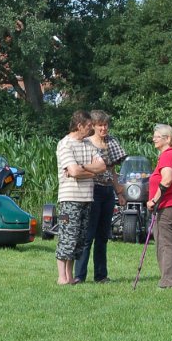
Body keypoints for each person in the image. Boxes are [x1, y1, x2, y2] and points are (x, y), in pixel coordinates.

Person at [74, 110, 128, 284]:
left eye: (106, 125)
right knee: (88, 234)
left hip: (107, 192)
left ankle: (101, 275)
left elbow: (112, 170)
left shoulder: (111, 143)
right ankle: (79, 275)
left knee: (103, 236)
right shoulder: (87, 143)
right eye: (100, 125)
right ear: (94, 127)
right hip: (92, 190)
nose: (104, 128)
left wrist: (119, 192)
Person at [55, 110, 106, 285]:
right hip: (69, 199)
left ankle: (70, 277)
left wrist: (83, 167)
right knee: (67, 237)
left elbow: (102, 167)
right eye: (89, 126)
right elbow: (73, 172)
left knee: (80, 239)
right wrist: (89, 172)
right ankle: (62, 277)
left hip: (87, 198)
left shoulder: (89, 145)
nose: (91, 129)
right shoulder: (65, 144)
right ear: (79, 126)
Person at [146, 124, 172, 288]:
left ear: (168, 139)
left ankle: (167, 281)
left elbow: (167, 179)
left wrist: (154, 200)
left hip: (167, 206)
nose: (154, 139)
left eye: (157, 137)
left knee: (165, 245)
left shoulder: (167, 156)